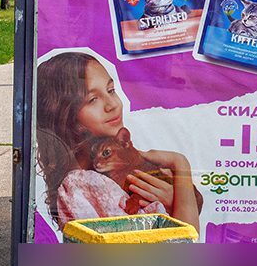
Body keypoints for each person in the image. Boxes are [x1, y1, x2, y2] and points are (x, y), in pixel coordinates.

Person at [34, 50, 200, 233]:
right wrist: (179, 164)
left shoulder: (109, 175)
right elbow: (185, 246)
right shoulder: (82, 185)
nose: (112, 104)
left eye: (111, 90)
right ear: (64, 115)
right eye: (92, 99)